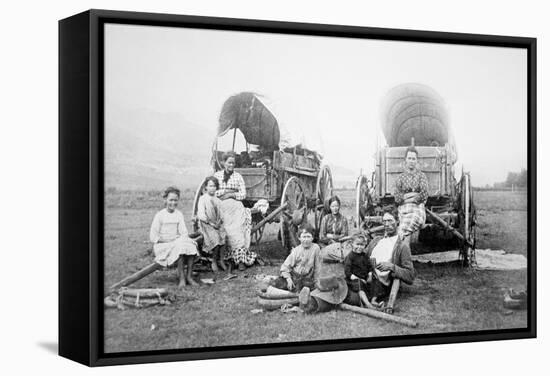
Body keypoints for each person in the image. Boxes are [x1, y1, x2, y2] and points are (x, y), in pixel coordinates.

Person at [214, 152, 257, 273]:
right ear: (223, 163)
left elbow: (243, 194)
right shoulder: (217, 176)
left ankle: (241, 260)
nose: (231, 165)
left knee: (238, 229)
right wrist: (225, 192)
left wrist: (231, 194)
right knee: (226, 228)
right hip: (222, 205)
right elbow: (212, 191)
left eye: (233, 163)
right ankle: (227, 259)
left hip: (236, 205)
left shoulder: (238, 177)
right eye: (229, 162)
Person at [149, 186, 199, 288]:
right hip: (162, 245)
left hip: (176, 242)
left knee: (191, 245)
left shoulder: (179, 214)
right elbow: (153, 237)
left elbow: (184, 232)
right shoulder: (160, 215)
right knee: (180, 248)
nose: (173, 203)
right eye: (171, 200)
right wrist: (170, 240)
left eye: (176, 200)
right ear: (165, 200)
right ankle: (181, 278)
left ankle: (189, 277)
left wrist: (181, 239)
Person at [362, 211, 416, 305]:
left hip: (380, 284)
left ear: (398, 222)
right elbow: (362, 257)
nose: (387, 224)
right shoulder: (376, 240)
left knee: (353, 297)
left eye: (390, 221)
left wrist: (392, 266)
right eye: (384, 221)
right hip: (366, 276)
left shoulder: (401, 246)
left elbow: (410, 275)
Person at [270, 224, 322, 292]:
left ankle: (299, 292)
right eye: (304, 237)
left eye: (308, 237)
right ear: (299, 238)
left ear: (312, 238)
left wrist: (316, 281)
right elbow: (285, 267)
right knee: (276, 283)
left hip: (306, 279)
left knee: (308, 287)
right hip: (294, 277)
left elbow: (317, 267)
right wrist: (289, 280)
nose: (306, 240)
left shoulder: (316, 248)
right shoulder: (296, 251)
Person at [394, 146, 429, 239]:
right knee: (402, 226)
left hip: (417, 208)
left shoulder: (422, 176)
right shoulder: (400, 177)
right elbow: (397, 198)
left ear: (417, 161)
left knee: (405, 227)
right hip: (403, 209)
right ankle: (399, 244)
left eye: (413, 159)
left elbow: (424, 195)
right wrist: (414, 195)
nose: (411, 161)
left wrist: (405, 196)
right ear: (405, 160)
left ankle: (398, 239)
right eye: (409, 158)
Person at [196, 176, 226, 272]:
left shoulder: (218, 200)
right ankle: (213, 260)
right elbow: (201, 215)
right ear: (206, 187)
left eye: (214, 186)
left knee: (223, 235)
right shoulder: (203, 199)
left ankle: (221, 260)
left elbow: (222, 214)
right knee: (216, 239)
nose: (212, 188)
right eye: (210, 186)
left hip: (216, 224)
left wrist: (219, 222)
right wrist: (212, 224)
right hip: (206, 224)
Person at [318, 195, 350, 263]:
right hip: (327, 244)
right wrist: (330, 241)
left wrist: (331, 236)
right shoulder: (325, 218)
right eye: (333, 206)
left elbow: (344, 235)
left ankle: (339, 257)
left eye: (336, 206)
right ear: (330, 207)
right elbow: (321, 236)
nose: (335, 208)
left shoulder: (343, 219)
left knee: (347, 251)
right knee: (323, 253)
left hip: (340, 245)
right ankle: (339, 257)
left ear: (339, 206)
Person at [342, 234, 371, 304]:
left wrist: (370, 275)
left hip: (365, 279)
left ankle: (374, 300)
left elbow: (369, 266)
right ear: (352, 244)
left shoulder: (365, 256)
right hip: (353, 280)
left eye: (362, 245)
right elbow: (348, 272)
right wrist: (360, 279)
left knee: (375, 282)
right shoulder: (350, 257)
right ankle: (368, 304)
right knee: (359, 284)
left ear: (365, 245)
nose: (359, 247)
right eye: (357, 244)